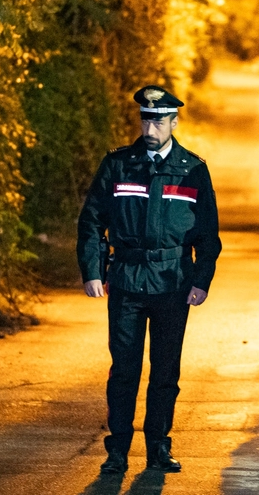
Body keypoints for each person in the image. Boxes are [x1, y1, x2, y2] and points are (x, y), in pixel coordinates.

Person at [77, 85, 221, 475]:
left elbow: (208, 233)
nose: (150, 125)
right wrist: (92, 270)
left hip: (172, 284)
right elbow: (92, 221)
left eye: (158, 120)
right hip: (125, 281)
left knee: (165, 372)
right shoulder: (118, 165)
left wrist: (201, 280)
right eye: (145, 118)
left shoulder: (192, 169)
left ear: (174, 122)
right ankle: (118, 450)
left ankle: (158, 446)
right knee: (124, 370)